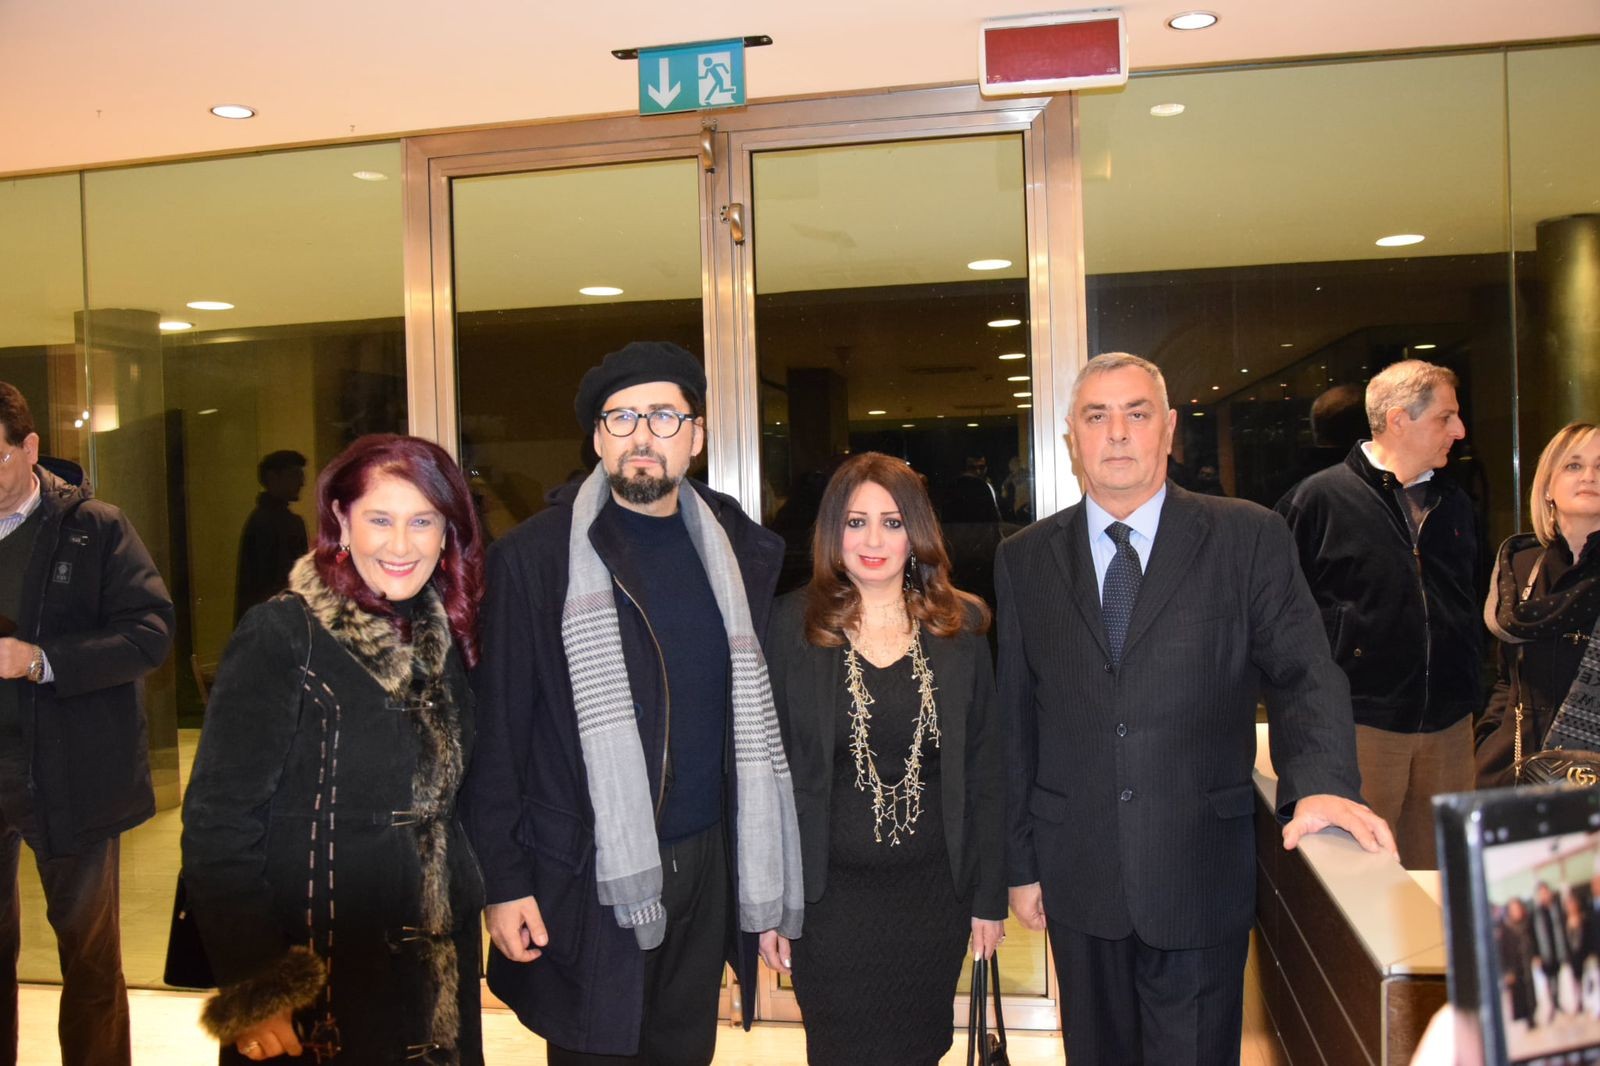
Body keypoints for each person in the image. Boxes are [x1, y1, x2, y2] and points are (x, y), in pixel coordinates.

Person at [996, 352, 1394, 1065]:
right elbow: (1016, 719)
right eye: (1097, 416)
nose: (1118, 432)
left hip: (1199, 870)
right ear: (1072, 437)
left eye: (1137, 413)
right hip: (1078, 873)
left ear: (1170, 428)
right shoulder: (1025, 558)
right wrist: (1020, 864)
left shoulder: (1247, 537)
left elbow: (1304, 673)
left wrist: (1324, 783)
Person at [460, 341, 803, 1064]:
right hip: (588, 866)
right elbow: (498, 738)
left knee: (684, 1052)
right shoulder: (536, 559)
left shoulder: (737, 550)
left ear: (696, 436)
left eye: (664, 416)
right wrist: (504, 882)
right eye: (621, 418)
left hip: (707, 861)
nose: (642, 435)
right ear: (597, 438)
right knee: (597, 1049)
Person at [181, 434, 486, 1064]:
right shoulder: (283, 633)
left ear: (447, 533)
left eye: (422, 521)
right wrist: (257, 984)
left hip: (436, 976)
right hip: (316, 984)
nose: (401, 545)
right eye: (380, 519)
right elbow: (218, 824)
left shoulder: (450, 637)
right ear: (342, 521)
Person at [762, 452, 1005, 1065]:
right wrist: (766, 906)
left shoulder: (962, 627)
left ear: (916, 532)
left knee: (920, 1050)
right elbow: (765, 779)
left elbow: (986, 772)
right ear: (832, 532)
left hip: (933, 902)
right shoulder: (789, 626)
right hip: (827, 909)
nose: (873, 540)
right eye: (856, 521)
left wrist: (988, 899)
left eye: (892, 522)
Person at [0, 381, 175, 1066]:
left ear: (30, 447)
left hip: (71, 772)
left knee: (89, 957)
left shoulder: (95, 527)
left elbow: (149, 634)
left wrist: (40, 660)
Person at [1275, 360, 1479, 869]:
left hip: (1450, 730)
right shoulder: (1317, 501)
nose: (1459, 430)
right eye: (1446, 417)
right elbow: (1279, 621)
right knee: (1358, 879)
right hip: (1360, 728)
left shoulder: (1454, 501)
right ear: (1398, 420)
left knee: (1444, 882)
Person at [1476, 422, 1600, 787]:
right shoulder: (1520, 565)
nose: (1589, 476)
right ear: (1547, 486)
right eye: (1573, 465)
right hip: (1516, 769)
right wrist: (1487, 743)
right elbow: (1507, 678)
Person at [234, 449, 309, 622]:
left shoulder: (265, 520)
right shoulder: (270, 523)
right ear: (273, 477)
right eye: (294, 474)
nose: (301, 482)